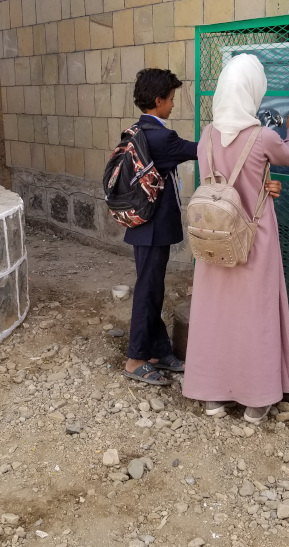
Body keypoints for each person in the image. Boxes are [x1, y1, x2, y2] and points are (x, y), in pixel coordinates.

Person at [182, 53, 289, 422]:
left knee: (215, 315)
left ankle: (212, 396)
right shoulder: (264, 136)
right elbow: (288, 156)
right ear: (252, 91)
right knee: (256, 313)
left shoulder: (207, 135)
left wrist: (264, 182)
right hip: (254, 236)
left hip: (215, 236)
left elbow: (215, 179)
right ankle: (256, 400)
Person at [122, 69, 198, 386]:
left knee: (152, 288)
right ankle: (135, 358)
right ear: (158, 100)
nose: (173, 105)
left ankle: (158, 351)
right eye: (171, 99)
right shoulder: (162, 138)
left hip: (143, 225)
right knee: (148, 291)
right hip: (153, 229)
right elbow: (200, 150)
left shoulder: (135, 132)